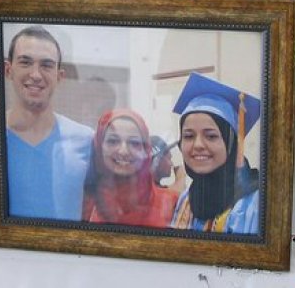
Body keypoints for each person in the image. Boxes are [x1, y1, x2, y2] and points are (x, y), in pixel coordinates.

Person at [4, 25, 93, 221]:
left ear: (59, 76)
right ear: (8, 70)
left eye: (46, 65)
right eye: (25, 62)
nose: (36, 74)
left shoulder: (87, 140)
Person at [170, 73, 261, 234]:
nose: (197, 145)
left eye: (211, 136)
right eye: (189, 136)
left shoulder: (254, 204)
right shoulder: (187, 199)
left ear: (231, 144)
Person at [82, 109, 178, 227]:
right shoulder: (84, 204)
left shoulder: (170, 203)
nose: (123, 151)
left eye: (134, 143)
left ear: (146, 150)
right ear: (99, 146)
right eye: (113, 141)